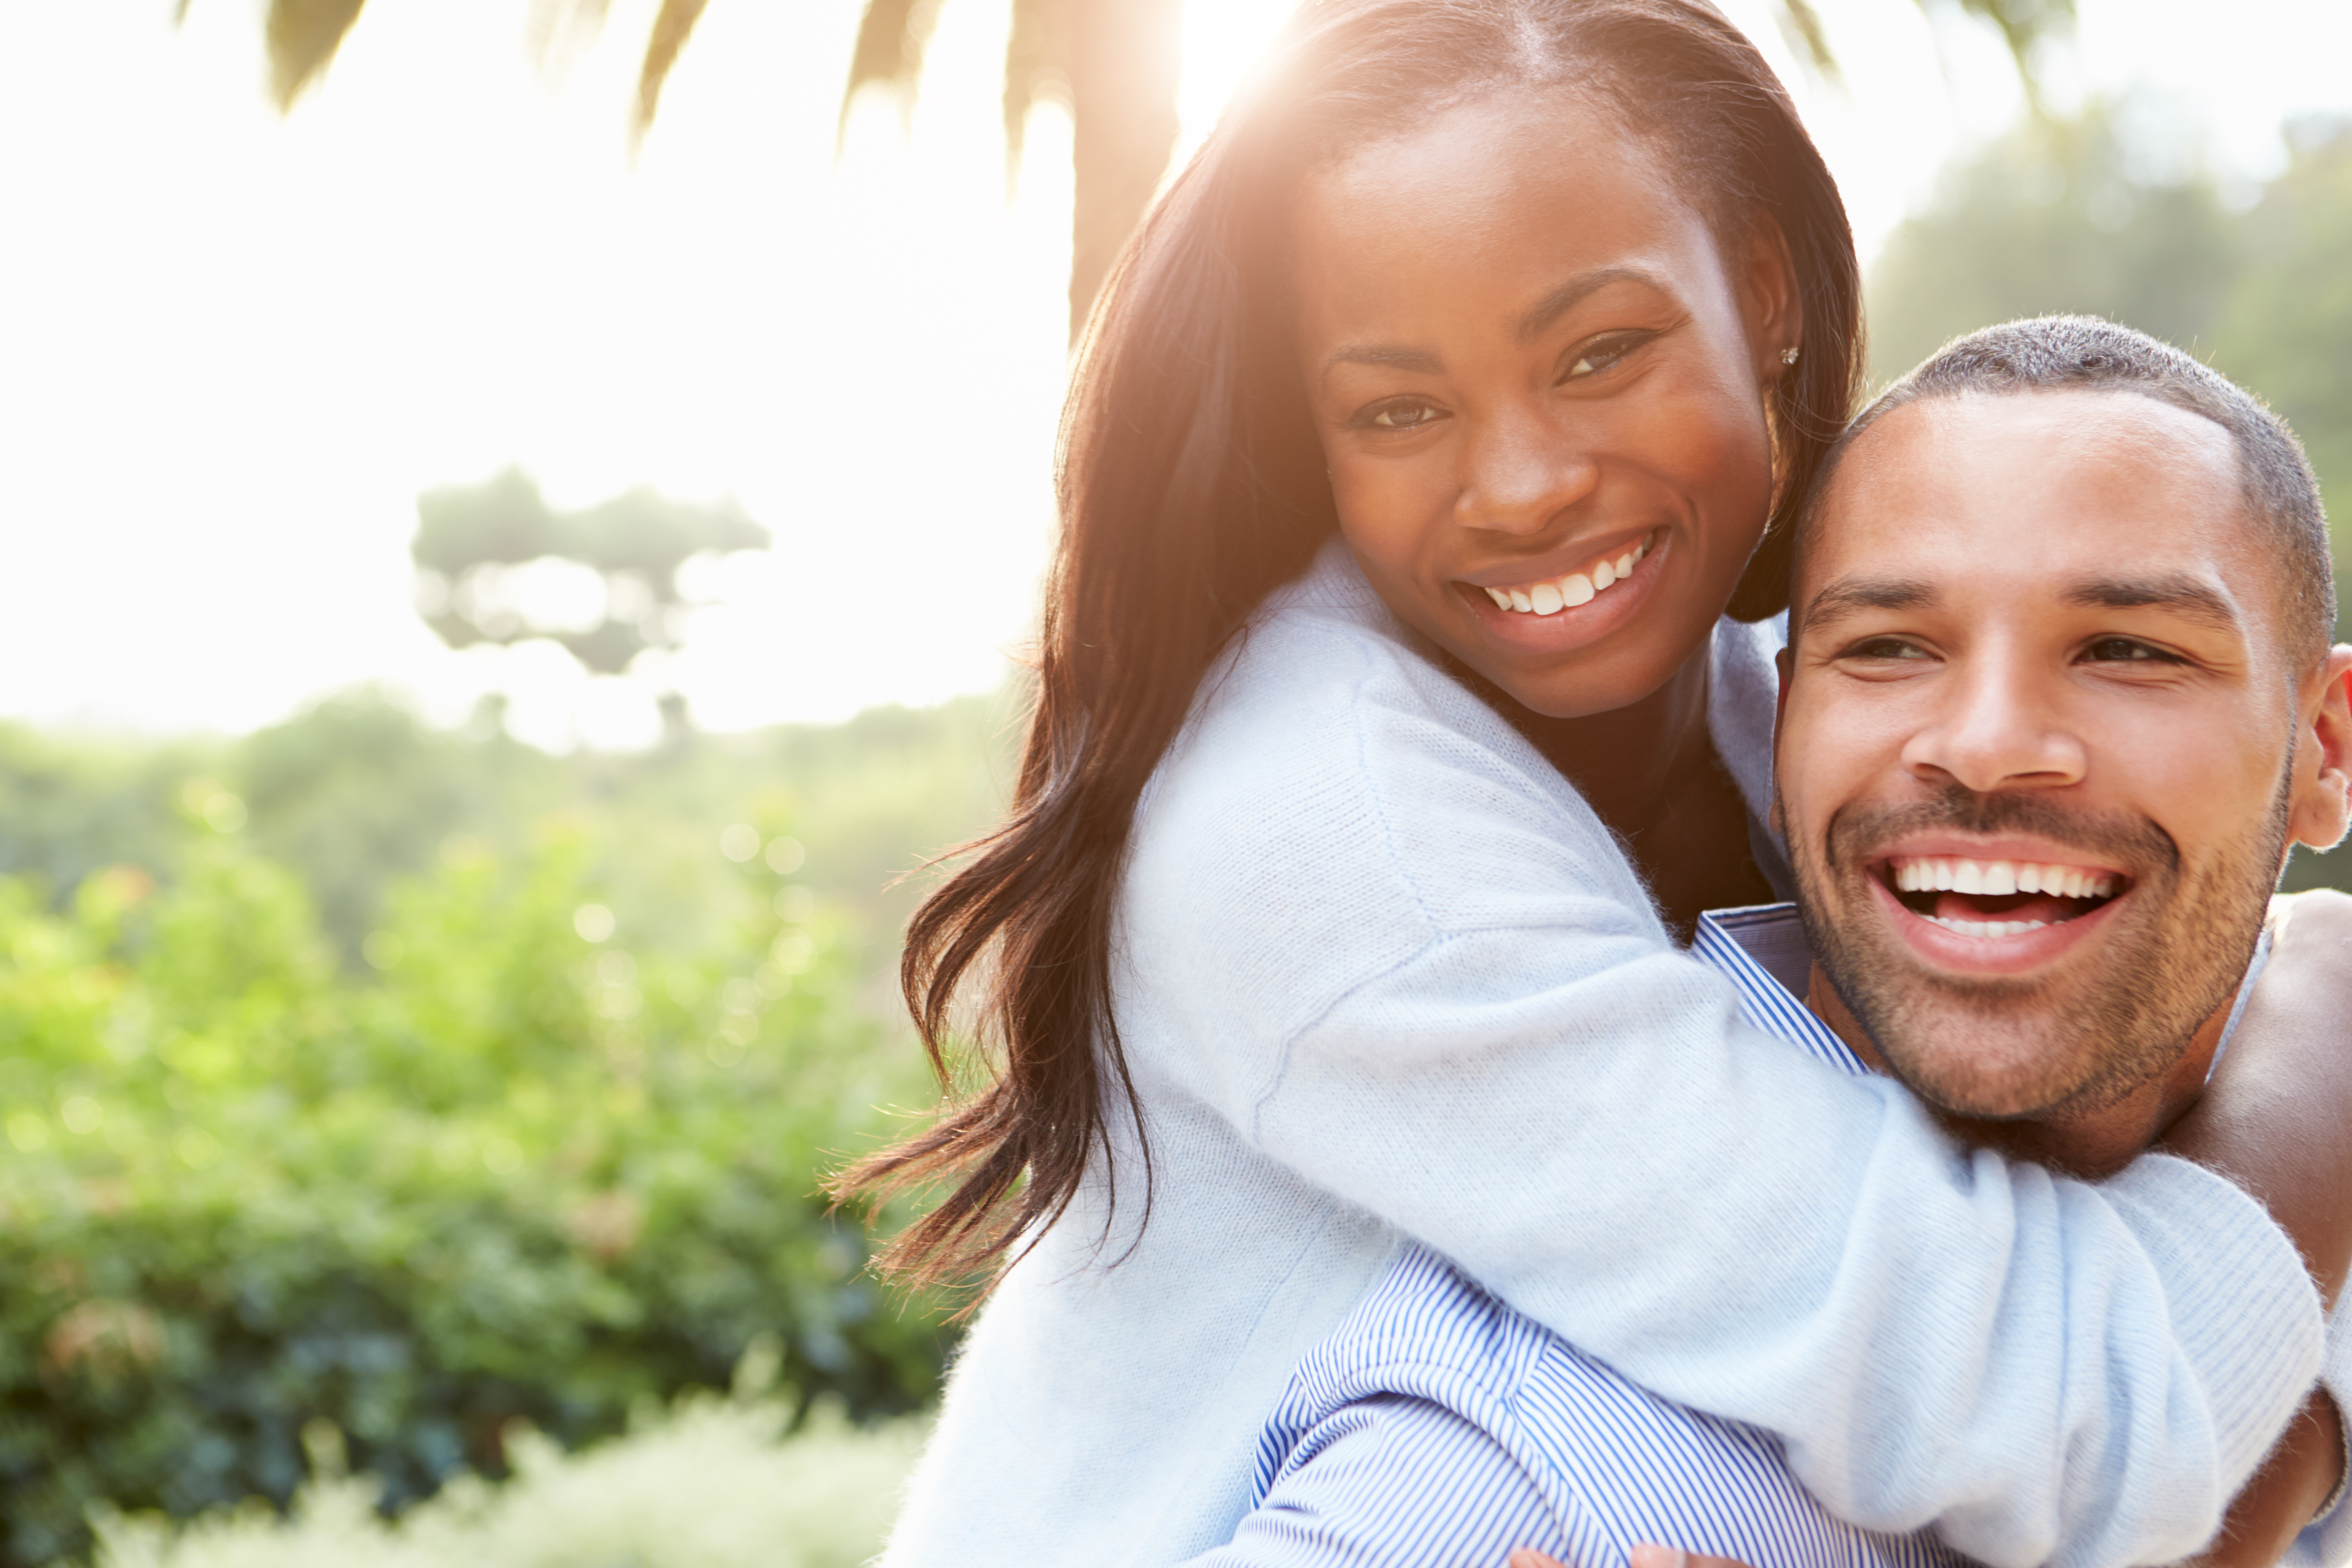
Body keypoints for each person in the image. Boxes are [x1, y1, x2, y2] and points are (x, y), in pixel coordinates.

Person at [840, 5, 2352, 1563]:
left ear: (1763, 291)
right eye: (1398, 410)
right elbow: (2067, 1409)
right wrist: (2330, 1029)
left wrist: (2290, 1438)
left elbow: (2158, 1238)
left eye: (1601, 352)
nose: (1522, 485)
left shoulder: (1789, 696)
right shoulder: (1325, 819)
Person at [1190, 317, 2352, 1568]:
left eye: (2128, 650)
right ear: (1789, 711)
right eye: (1891, 648)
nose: (1984, 739)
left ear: (2325, 752)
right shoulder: (1525, 1448)